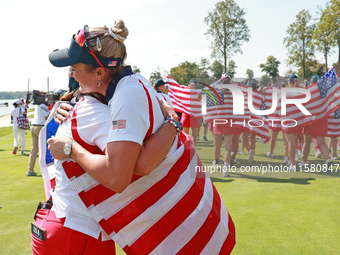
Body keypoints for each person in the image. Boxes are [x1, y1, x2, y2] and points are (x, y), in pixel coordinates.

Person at [35, 21, 235, 254]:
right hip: (75, 226)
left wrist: (71, 148)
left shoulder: (122, 98)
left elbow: (125, 172)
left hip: (73, 229)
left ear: (99, 72)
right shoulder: (134, 82)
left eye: (74, 67)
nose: (71, 74)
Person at [27, 96, 49, 176]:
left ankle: (30, 169)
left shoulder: (37, 106)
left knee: (34, 149)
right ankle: (46, 170)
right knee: (43, 149)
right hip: (39, 127)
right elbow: (48, 116)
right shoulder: (42, 106)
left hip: (33, 127)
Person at [181, 79, 200, 147]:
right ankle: (190, 149)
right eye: (191, 85)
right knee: (189, 135)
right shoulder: (187, 92)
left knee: (192, 135)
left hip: (191, 115)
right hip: (188, 115)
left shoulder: (197, 93)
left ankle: (190, 149)